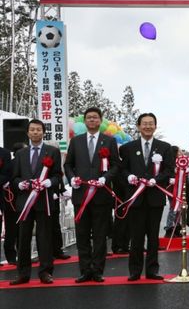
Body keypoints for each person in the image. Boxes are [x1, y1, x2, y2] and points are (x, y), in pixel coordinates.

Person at [64, 107, 119, 283]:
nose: (92, 120)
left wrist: (106, 178)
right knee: (82, 234)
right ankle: (85, 270)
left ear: (100, 121)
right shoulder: (76, 141)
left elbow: (116, 165)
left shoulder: (109, 141)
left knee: (100, 235)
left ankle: (98, 270)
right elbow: (68, 165)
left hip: (101, 195)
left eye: (95, 118)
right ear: (85, 121)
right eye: (89, 118)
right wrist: (72, 179)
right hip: (81, 195)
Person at [120, 113, 175, 281]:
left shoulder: (165, 147)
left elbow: (169, 170)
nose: (148, 126)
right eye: (144, 124)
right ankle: (134, 271)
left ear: (155, 126)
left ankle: (152, 270)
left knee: (153, 236)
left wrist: (155, 180)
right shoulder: (128, 148)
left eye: (151, 123)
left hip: (155, 197)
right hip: (136, 198)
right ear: (138, 126)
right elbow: (121, 169)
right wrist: (128, 177)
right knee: (136, 236)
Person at [10, 119, 62, 285]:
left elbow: (57, 176)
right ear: (27, 132)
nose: (35, 132)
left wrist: (49, 183)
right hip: (24, 202)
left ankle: (45, 272)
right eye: (32, 130)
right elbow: (14, 177)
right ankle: (23, 273)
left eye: (38, 130)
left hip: (44, 201)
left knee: (44, 237)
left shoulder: (52, 151)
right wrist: (19, 184)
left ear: (43, 132)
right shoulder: (20, 154)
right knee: (23, 237)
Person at [0, 145, 13, 267]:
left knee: (7, 226)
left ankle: (10, 256)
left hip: (1, 194)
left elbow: (7, 174)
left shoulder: (5, 153)